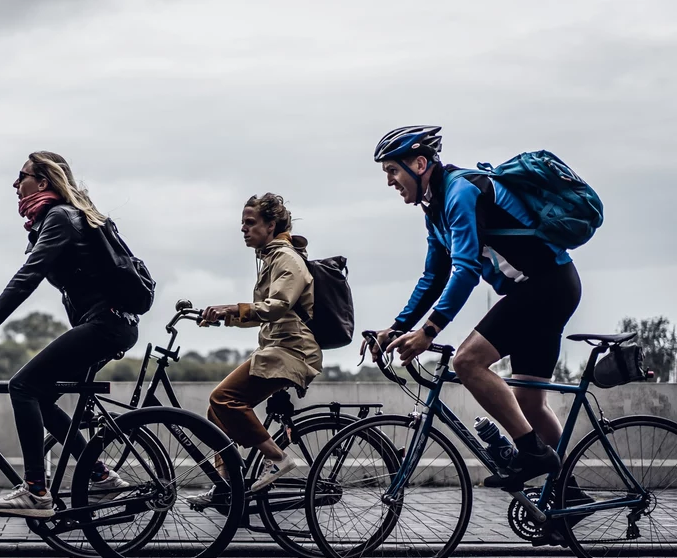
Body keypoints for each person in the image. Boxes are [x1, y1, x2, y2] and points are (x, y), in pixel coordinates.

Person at [368, 125, 582, 490]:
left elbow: (465, 270)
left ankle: (532, 453)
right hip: (544, 289)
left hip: (547, 286)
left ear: (420, 164)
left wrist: (430, 330)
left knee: (467, 362)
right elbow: (433, 276)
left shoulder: (460, 192)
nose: (389, 180)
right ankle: (568, 495)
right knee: (529, 404)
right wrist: (399, 326)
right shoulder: (434, 208)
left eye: (392, 170)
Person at [0, 151, 138, 518]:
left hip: (106, 325)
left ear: (42, 182)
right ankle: (100, 476)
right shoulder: (59, 218)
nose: (14, 184)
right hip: (111, 324)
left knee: (21, 386)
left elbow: (30, 274)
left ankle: (37, 490)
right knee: (40, 396)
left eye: (20, 176)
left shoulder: (59, 218)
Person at [191, 193, 323, 504]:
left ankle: (277, 458)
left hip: (291, 352)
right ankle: (227, 484)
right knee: (217, 411)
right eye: (242, 223)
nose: (243, 229)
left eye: (250, 223)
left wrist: (230, 309)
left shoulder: (287, 259)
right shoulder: (273, 259)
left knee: (223, 398)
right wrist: (225, 316)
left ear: (271, 225)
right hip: (278, 349)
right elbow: (265, 311)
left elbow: (276, 306)